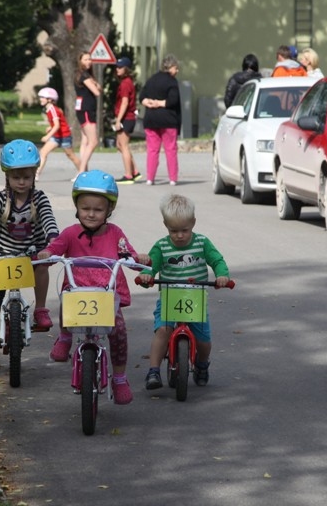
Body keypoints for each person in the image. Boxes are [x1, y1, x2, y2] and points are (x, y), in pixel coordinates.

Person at [36, 171, 149, 405]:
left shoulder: (115, 233)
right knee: (66, 300)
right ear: (76, 207)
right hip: (78, 291)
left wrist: (139, 259)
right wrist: (47, 253)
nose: (91, 214)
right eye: (85, 208)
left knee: (118, 331)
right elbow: (55, 247)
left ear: (109, 211)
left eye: (98, 210)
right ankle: (65, 337)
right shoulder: (69, 233)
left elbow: (127, 252)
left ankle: (119, 378)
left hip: (106, 295)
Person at [0, 140, 60, 361]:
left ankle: (40, 308)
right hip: (2, 253)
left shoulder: (39, 199)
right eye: (16, 177)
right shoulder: (0, 199)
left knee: (42, 263)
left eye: (27, 177)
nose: (21, 182)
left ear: (34, 176)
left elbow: (49, 221)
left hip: (31, 252)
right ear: (7, 176)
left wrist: (54, 242)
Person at [138, 193, 231, 389]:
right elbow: (151, 267)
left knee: (204, 340)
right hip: (169, 297)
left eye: (184, 230)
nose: (179, 235)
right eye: (174, 230)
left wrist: (222, 275)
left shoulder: (202, 243)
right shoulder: (161, 246)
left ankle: (202, 364)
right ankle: (153, 371)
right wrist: (146, 277)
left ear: (193, 223)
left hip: (195, 299)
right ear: (165, 225)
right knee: (163, 331)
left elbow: (217, 260)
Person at [139, 54, 182, 186]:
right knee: (170, 149)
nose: (177, 71)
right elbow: (172, 100)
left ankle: (150, 178)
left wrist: (149, 103)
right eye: (176, 68)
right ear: (170, 68)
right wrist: (159, 103)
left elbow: (142, 96)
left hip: (151, 119)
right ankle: (173, 178)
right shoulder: (172, 81)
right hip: (168, 120)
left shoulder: (152, 79)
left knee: (152, 150)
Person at [35, 86, 79, 177]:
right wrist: (50, 128)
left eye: (42, 97)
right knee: (43, 152)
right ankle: (36, 174)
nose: (40, 99)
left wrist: (48, 136)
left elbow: (57, 125)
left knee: (70, 155)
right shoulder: (49, 109)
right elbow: (56, 124)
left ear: (50, 99)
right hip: (56, 136)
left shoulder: (53, 109)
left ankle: (82, 171)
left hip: (64, 136)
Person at [112, 57, 141, 184]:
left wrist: (118, 120)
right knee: (120, 145)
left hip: (126, 117)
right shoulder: (127, 82)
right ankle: (135, 171)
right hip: (127, 117)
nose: (117, 69)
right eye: (117, 67)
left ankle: (128, 175)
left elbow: (124, 102)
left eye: (120, 67)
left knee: (123, 146)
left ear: (126, 69)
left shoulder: (125, 84)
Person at [74, 51, 102, 174]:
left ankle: (83, 169)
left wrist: (95, 82)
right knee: (93, 141)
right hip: (86, 110)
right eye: (85, 59)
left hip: (82, 109)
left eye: (90, 59)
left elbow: (98, 87)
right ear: (80, 61)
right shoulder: (84, 76)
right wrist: (95, 83)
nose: (89, 62)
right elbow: (97, 91)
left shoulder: (82, 75)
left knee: (85, 141)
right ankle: (81, 171)